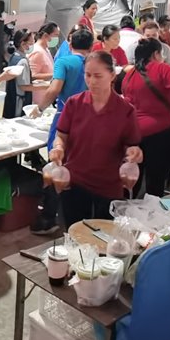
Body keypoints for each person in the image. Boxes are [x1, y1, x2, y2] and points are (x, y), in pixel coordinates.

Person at [50, 52, 144, 227]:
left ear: (112, 75)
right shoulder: (74, 103)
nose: (92, 81)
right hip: (75, 179)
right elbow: (61, 135)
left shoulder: (125, 110)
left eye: (98, 76)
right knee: (75, 231)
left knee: (104, 234)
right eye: (88, 75)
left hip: (108, 184)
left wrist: (134, 152)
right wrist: (58, 147)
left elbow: (131, 145)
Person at [28, 29, 94, 235]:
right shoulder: (95, 64)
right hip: (90, 119)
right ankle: (78, 215)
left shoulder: (64, 62)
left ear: (70, 43)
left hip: (65, 117)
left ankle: (48, 218)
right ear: (91, 46)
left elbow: (55, 88)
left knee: (56, 163)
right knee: (80, 163)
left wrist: (39, 108)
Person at [121, 39, 170, 197]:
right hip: (159, 130)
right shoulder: (162, 68)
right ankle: (152, 208)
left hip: (134, 132)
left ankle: (128, 206)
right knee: (156, 177)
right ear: (156, 54)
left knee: (133, 176)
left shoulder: (129, 74)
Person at [5, 29, 37, 118]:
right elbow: (23, 86)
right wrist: (45, 86)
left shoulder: (14, 56)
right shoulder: (22, 61)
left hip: (11, 98)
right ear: (23, 44)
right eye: (31, 42)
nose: (33, 45)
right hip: (19, 102)